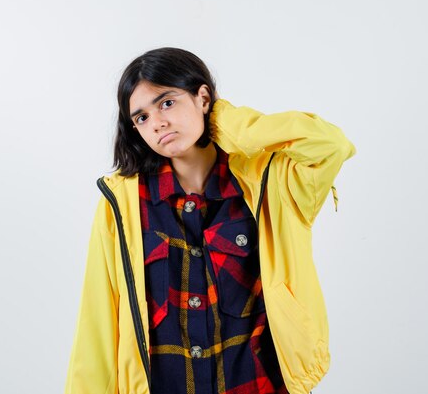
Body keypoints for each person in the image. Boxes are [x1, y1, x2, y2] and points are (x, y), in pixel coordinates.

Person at [64, 47, 356, 394]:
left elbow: (330, 145)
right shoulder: (122, 203)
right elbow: (98, 321)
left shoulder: (270, 183)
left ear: (203, 98)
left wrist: (234, 129)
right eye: (141, 117)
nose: (157, 122)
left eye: (167, 103)